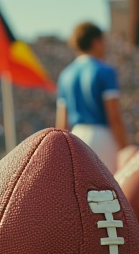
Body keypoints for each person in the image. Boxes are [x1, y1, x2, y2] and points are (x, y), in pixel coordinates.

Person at [56, 22, 128, 174]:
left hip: (76, 136)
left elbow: (61, 123)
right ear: (96, 42)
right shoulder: (105, 71)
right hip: (102, 137)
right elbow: (114, 116)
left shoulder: (65, 75)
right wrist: (125, 148)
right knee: (109, 191)